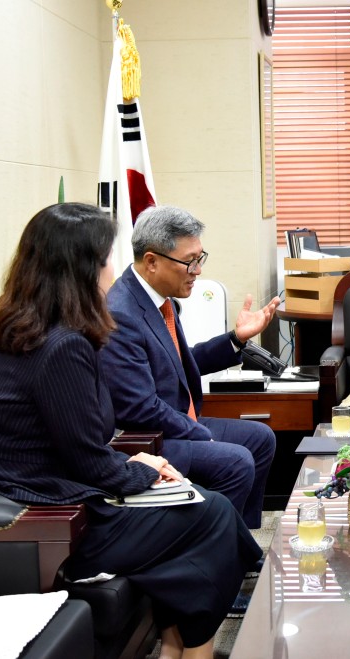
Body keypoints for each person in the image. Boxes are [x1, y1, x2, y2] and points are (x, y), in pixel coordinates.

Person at [0, 203, 261, 659]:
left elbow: (77, 443)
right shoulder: (60, 345)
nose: (112, 269)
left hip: (63, 487)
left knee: (208, 509)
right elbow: (87, 457)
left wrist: (135, 463)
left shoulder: (46, 328)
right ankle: (192, 649)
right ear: (80, 269)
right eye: (105, 258)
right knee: (211, 514)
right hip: (48, 513)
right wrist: (144, 470)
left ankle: (178, 645)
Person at [101, 205, 279, 529]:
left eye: (200, 257)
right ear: (152, 261)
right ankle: (212, 548)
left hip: (177, 420)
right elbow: (139, 408)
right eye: (190, 261)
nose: (197, 270)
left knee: (260, 438)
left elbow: (178, 365)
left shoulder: (160, 298)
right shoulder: (121, 314)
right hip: (148, 439)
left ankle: (241, 541)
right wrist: (199, 433)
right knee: (236, 461)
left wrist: (235, 340)